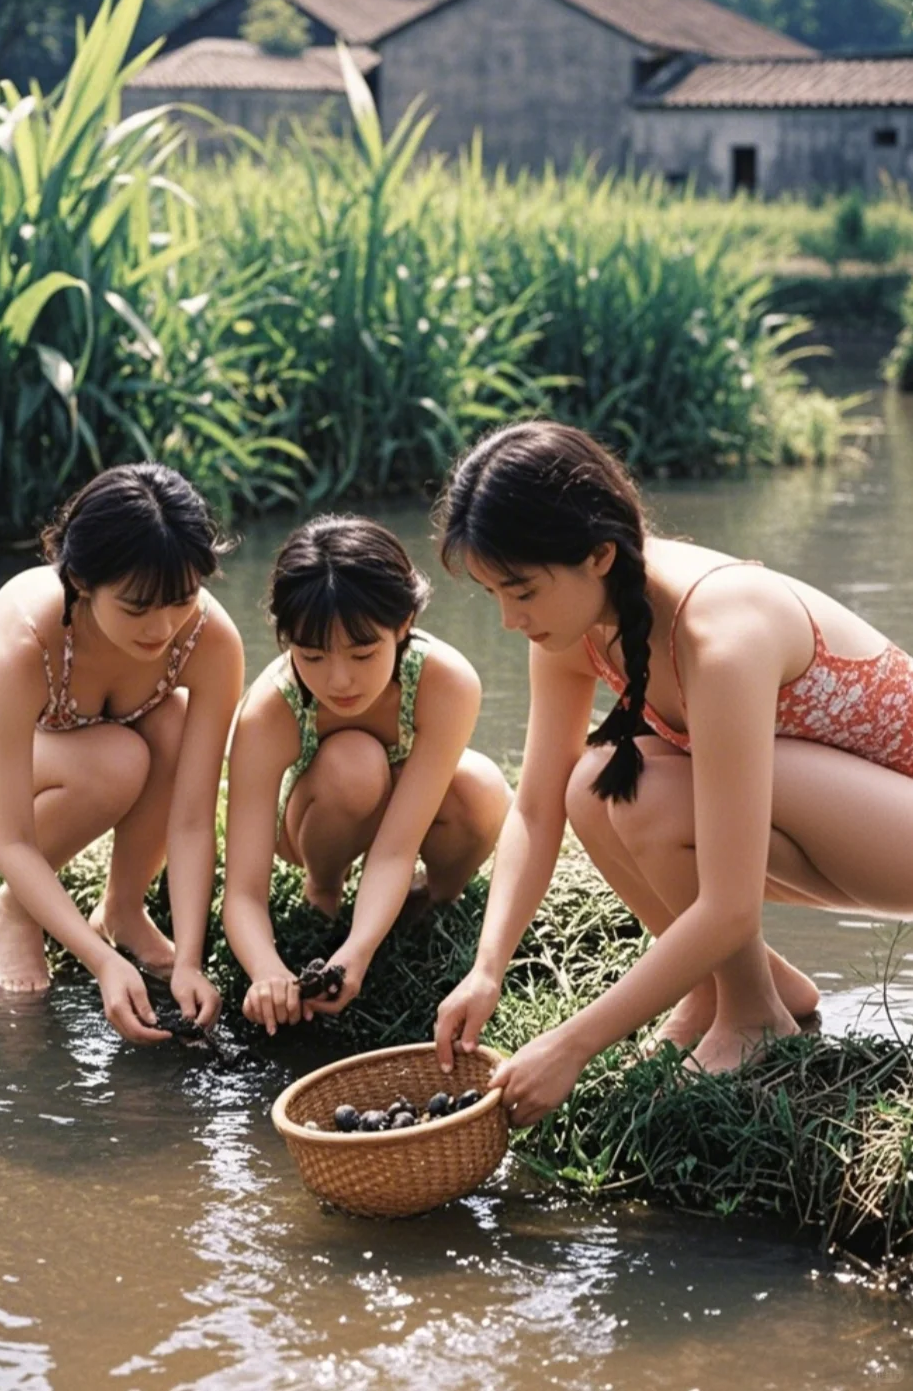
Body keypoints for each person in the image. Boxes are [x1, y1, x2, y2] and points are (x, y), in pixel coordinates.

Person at [432, 419, 913, 1128]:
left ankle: (754, 1018)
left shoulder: (719, 630)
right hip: (845, 826)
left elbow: (730, 903)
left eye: (522, 591)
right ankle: (737, 989)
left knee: (647, 796)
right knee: (595, 785)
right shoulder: (579, 625)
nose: (509, 618)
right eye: (493, 594)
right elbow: (536, 810)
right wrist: (487, 967)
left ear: (598, 555)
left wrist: (572, 1045)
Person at [0, 464, 244, 1043]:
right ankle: (17, 909)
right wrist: (101, 963)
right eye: (137, 606)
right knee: (120, 762)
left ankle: (124, 909)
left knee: (168, 727)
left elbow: (196, 817)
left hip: (103, 728)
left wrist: (193, 959)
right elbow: (13, 839)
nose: (163, 626)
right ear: (80, 580)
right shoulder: (27, 640)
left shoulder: (209, 639)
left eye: (180, 598)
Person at [223, 514, 512, 1034]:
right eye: (311, 655)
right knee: (354, 762)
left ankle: (430, 900)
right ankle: (324, 893)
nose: (339, 679)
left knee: (482, 790)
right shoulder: (269, 711)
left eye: (363, 653)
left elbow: (397, 845)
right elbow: (243, 890)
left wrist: (358, 951)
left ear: (403, 625)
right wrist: (266, 970)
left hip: (404, 816)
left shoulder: (445, 682)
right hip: (314, 817)